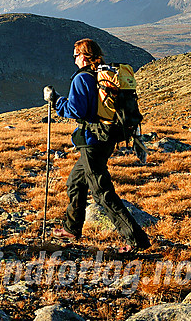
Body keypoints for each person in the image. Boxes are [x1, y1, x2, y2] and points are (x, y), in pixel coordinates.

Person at [43, 38, 151, 253]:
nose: (74, 61)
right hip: (106, 137)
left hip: (93, 141)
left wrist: (56, 101)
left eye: (76, 56)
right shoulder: (104, 76)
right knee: (75, 182)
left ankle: (134, 240)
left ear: (84, 55)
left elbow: (77, 110)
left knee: (102, 192)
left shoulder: (83, 78)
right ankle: (71, 228)